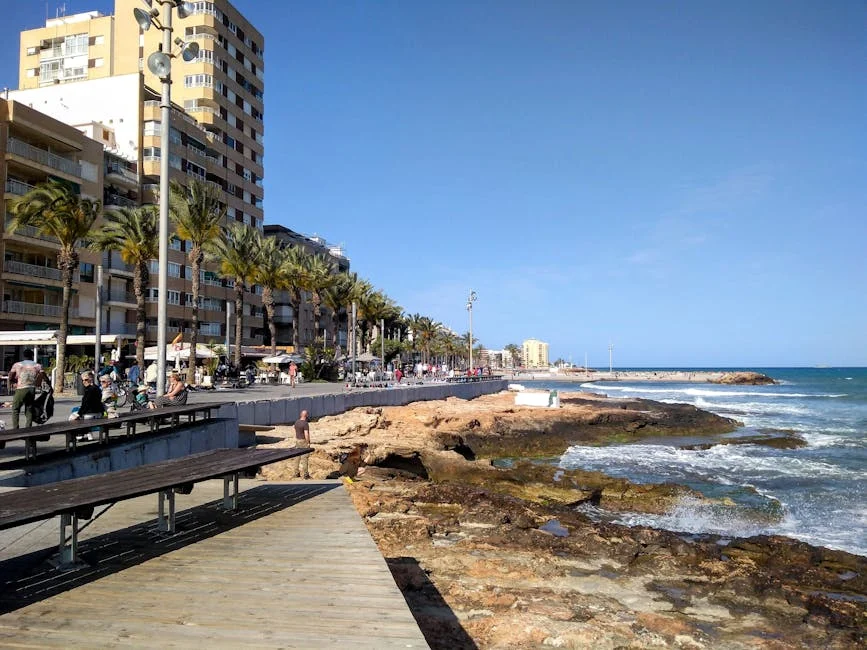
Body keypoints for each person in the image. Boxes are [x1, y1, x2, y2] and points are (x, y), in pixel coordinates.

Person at [8, 350, 48, 429]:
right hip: (31, 389)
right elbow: (43, 375)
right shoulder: (37, 365)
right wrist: (47, 381)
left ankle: (15, 428)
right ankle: (28, 428)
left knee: (15, 409)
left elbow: (10, 376)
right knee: (29, 408)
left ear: (23, 356)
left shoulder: (17, 365)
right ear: (32, 356)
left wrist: (14, 381)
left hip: (21, 388)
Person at [292, 409, 311, 480]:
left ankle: (296, 473)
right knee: (304, 458)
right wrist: (308, 442)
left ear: (300, 415)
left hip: (297, 440)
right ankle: (306, 474)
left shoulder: (296, 422)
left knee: (297, 458)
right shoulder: (305, 423)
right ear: (306, 415)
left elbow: (296, 430)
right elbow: (306, 433)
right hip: (303, 441)